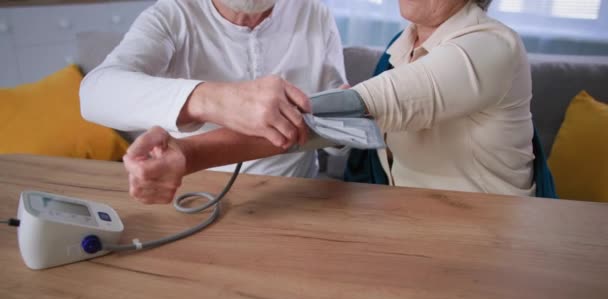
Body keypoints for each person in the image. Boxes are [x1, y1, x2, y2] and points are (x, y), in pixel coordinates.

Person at [124, 0, 538, 204]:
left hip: (490, 232)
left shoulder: (491, 46)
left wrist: (187, 153)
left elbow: (354, 109)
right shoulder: (400, 48)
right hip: (415, 223)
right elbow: (335, 128)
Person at [80, 0, 346, 181]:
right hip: (197, 194)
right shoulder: (173, 14)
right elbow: (94, 93)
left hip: (299, 193)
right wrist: (211, 100)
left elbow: (339, 134)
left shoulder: (314, 13)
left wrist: (346, 121)